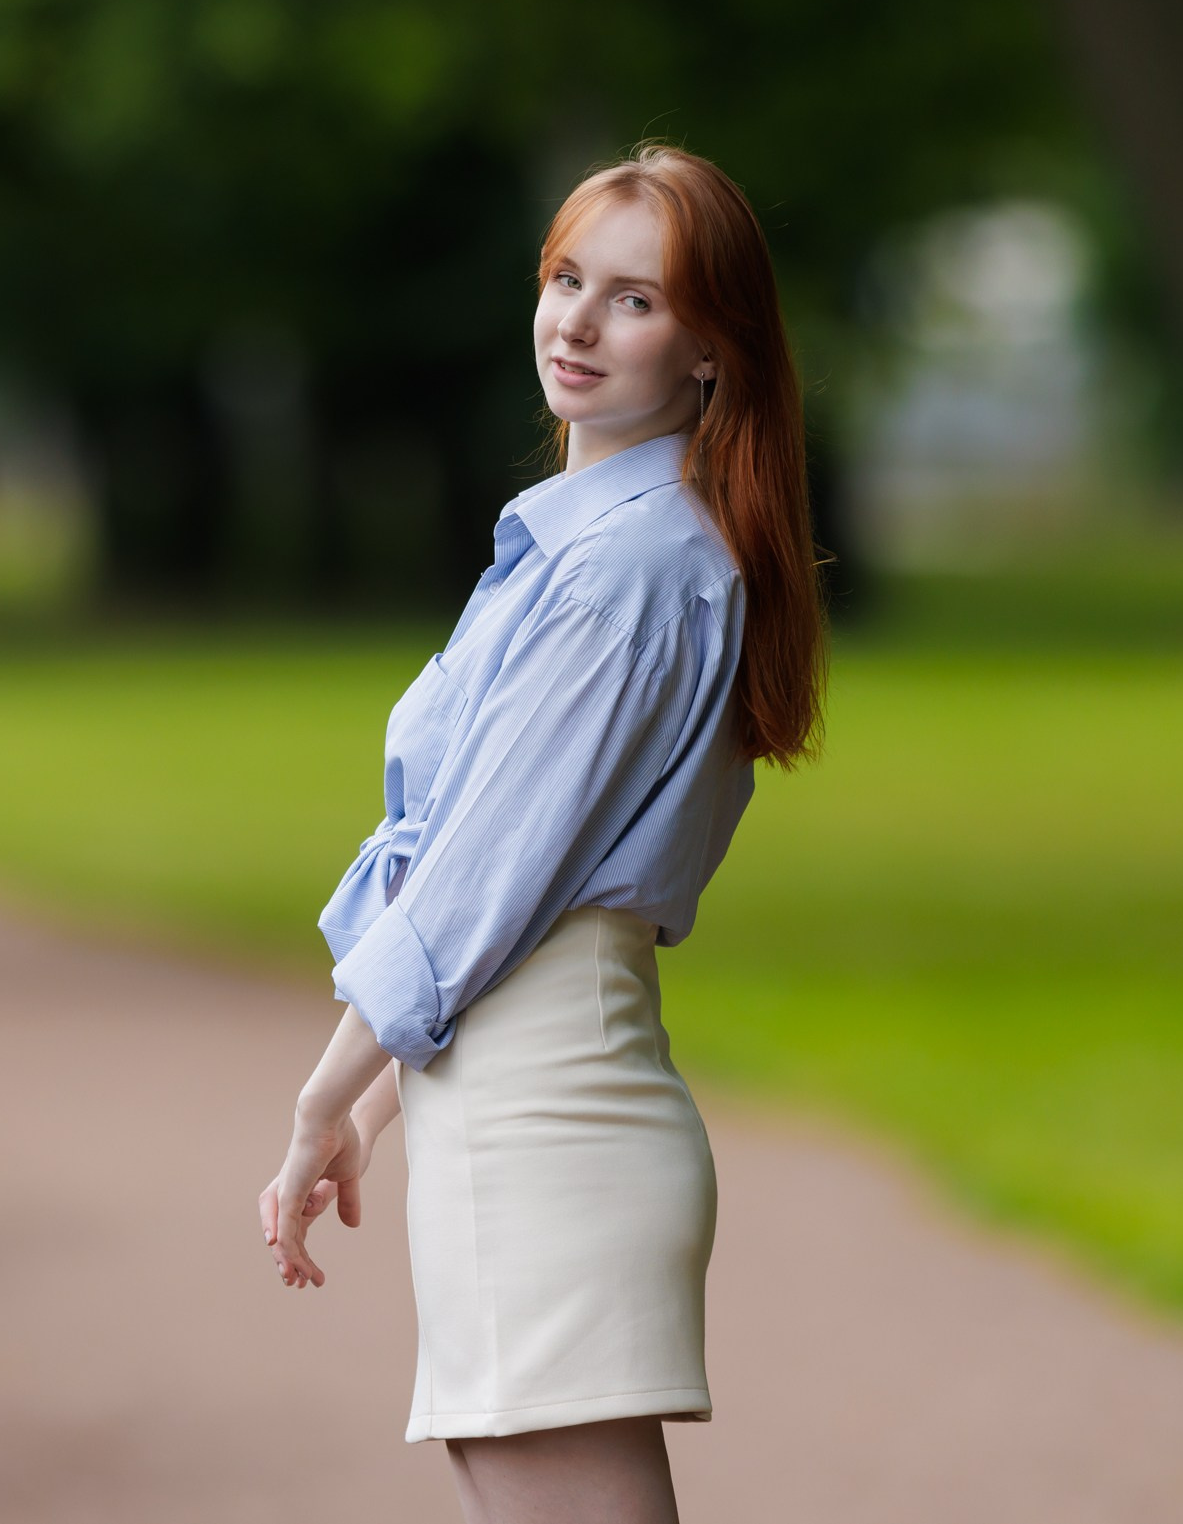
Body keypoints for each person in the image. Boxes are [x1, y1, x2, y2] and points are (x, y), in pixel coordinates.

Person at [257, 141, 829, 1524]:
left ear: (712, 353)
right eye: (566, 277)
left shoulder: (630, 567)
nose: (575, 321)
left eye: (633, 298)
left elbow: (478, 882)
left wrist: (324, 1097)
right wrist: (385, 1097)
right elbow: (523, 886)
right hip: (518, 1103)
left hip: (548, 1120)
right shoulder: (598, 548)